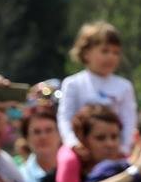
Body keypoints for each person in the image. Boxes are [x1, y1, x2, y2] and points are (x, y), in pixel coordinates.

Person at [54, 23, 136, 156]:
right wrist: (72, 143)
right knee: (67, 161)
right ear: (86, 53)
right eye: (105, 51)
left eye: (116, 53)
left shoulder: (124, 87)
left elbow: (129, 121)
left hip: (114, 148)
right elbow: (65, 117)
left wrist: (124, 147)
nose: (111, 57)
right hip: (80, 148)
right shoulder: (73, 84)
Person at [15, 102, 63, 182]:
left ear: (60, 134)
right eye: (36, 132)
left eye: (49, 130)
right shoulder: (18, 177)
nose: (43, 137)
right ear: (26, 138)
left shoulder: (77, 170)